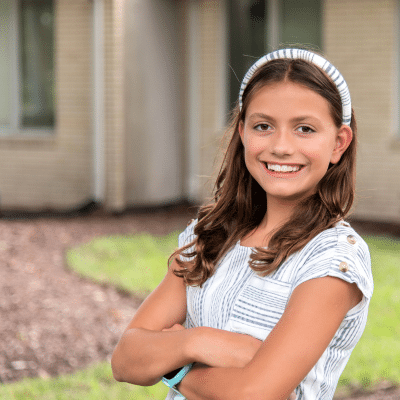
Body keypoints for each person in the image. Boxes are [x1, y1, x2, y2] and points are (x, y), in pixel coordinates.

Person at [111, 48, 373, 400]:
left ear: (338, 143)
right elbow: (125, 360)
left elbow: (255, 393)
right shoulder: (210, 235)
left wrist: (172, 364)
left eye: (305, 129)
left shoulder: (333, 259)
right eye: (263, 126)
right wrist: (199, 341)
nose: (281, 146)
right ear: (243, 132)